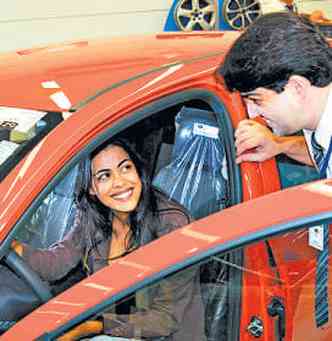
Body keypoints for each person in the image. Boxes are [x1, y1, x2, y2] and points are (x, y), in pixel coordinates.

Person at [13, 138, 206, 341]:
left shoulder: (174, 225)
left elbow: (164, 319)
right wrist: (14, 248)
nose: (120, 182)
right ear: (91, 188)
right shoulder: (94, 213)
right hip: (110, 328)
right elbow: (57, 263)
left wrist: (91, 328)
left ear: (138, 171)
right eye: (105, 176)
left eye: (126, 168)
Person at [218, 12, 332, 177]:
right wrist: (279, 145)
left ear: (297, 87)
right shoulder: (315, 114)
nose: (252, 113)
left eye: (257, 100)